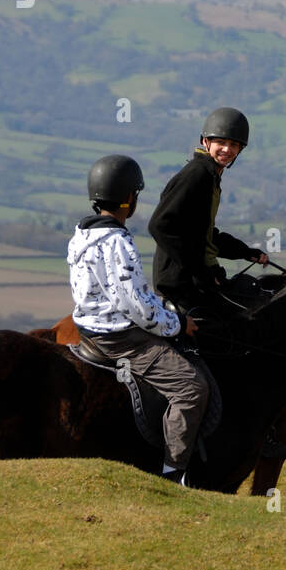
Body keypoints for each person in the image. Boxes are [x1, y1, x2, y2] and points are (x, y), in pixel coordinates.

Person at [68, 154, 211, 486]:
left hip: (89, 328)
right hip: (123, 338)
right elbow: (138, 308)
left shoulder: (82, 235)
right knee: (192, 388)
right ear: (129, 199)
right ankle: (174, 474)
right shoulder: (118, 241)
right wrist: (177, 323)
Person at [148, 107, 270, 323]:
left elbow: (203, 235)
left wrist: (244, 251)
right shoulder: (197, 174)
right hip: (182, 286)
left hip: (198, 280)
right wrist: (200, 272)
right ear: (206, 142)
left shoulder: (211, 176)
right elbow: (160, 225)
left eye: (233, 145)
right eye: (221, 142)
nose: (227, 149)